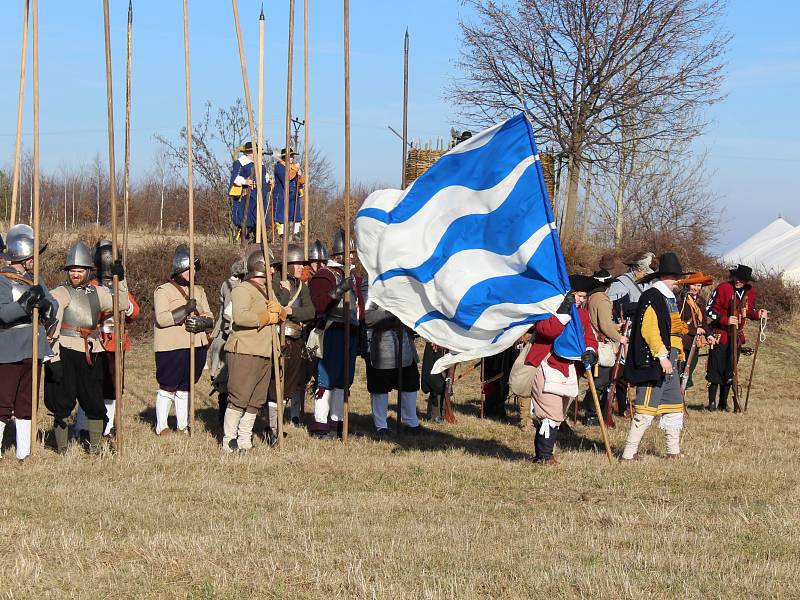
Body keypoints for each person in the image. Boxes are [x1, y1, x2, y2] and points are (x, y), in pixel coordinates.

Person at [46, 241, 129, 454]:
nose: (75, 273)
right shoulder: (60, 293)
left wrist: (121, 280)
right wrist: (53, 357)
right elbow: (52, 328)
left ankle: (93, 448)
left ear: (88, 270)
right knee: (62, 403)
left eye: (79, 270)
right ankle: (62, 448)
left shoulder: (98, 292)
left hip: (92, 351)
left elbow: (121, 305)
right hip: (65, 349)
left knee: (93, 402)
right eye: (72, 270)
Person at [620, 252, 691, 461]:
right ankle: (628, 453)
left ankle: (673, 451)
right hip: (655, 361)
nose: (679, 281)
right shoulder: (652, 296)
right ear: (667, 276)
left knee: (673, 406)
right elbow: (649, 330)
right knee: (645, 409)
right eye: (676, 276)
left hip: (671, 359)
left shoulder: (669, 297)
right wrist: (662, 356)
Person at [524, 275, 599, 464]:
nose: (582, 300)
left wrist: (591, 352)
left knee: (558, 413)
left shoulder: (582, 314)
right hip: (545, 362)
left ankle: (544, 454)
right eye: (580, 296)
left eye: (584, 296)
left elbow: (589, 338)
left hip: (568, 367)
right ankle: (544, 456)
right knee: (550, 413)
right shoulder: (548, 308)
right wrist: (563, 312)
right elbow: (546, 330)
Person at [0, 225, 57, 461]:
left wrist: (46, 306)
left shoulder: (36, 280)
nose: (36, 259)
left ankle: (24, 453)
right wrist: (25, 303)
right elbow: (2, 313)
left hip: (33, 347)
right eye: (33, 255)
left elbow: (53, 306)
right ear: (22, 254)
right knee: (3, 402)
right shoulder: (2, 281)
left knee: (26, 402)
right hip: (9, 347)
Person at [74, 240, 140, 439]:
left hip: (115, 345)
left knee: (112, 389)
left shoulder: (121, 286)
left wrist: (121, 288)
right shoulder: (90, 286)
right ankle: (82, 427)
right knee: (90, 388)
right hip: (94, 344)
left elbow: (133, 312)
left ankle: (108, 427)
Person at [221, 248, 286, 451]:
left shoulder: (269, 291)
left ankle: (244, 439)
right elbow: (241, 317)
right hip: (245, 350)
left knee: (256, 400)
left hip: (266, 351)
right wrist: (266, 317)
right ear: (260, 267)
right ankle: (229, 440)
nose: (274, 271)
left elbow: (279, 311)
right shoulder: (242, 289)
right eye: (271, 267)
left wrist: (280, 313)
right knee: (239, 397)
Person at [307, 228, 364, 439]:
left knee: (343, 380)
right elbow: (319, 305)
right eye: (349, 253)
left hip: (350, 331)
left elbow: (359, 309)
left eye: (353, 253)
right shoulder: (325, 274)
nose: (351, 257)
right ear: (339, 254)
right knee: (327, 379)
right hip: (332, 332)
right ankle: (321, 425)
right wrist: (341, 288)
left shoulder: (352, 276)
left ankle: (337, 422)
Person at [152, 244, 213, 435]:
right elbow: (162, 319)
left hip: (196, 346)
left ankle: (182, 425)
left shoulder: (200, 290)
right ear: (180, 267)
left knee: (186, 387)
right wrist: (185, 309)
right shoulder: (163, 290)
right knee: (168, 386)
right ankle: (161, 426)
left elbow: (210, 316)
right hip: (171, 347)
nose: (192, 272)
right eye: (189, 268)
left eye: (194, 268)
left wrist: (201, 322)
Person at [705, 264, 768, 412]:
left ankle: (723, 403)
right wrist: (726, 319)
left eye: (743, 279)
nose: (738, 281)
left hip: (737, 338)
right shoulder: (722, 288)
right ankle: (712, 403)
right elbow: (709, 310)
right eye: (737, 277)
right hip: (721, 335)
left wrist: (758, 314)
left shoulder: (750, 292)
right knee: (715, 369)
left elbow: (750, 311)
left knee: (730, 370)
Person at [271, 244, 315, 432]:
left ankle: (279, 423)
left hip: (296, 339)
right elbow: (276, 305)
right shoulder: (274, 282)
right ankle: (273, 426)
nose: (300, 268)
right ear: (287, 265)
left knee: (290, 383)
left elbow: (310, 312)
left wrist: (292, 311)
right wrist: (285, 297)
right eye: (296, 264)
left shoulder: (302, 287)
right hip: (278, 339)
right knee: (276, 383)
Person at [364, 300, 421, 437]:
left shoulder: (405, 285)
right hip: (379, 343)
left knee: (410, 384)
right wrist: (393, 313)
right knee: (380, 387)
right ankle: (381, 426)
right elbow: (367, 317)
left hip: (405, 342)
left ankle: (411, 423)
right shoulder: (373, 287)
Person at [582, 277, 627, 426]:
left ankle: (592, 411)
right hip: (601, 344)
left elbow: (598, 322)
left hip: (592, 341)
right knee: (601, 381)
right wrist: (620, 338)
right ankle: (593, 414)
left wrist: (616, 326)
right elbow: (604, 326)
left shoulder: (591, 298)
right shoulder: (603, 300)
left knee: (598, 381)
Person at [209, 258, 246, 423]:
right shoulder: (232, 286)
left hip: (229, 336)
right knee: (225, 380)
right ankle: (224, 417)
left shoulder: (232, 284)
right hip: (227, 336)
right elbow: (229, 315)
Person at [675, 271, 713, 390]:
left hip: (694, 342)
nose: (696, 288)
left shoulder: (701, 300)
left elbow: (704, 322)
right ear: (688, 285)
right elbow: (678, 320)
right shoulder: (681, 299)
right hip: (682, 341)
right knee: (679, 372)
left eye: (699, 285)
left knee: (688, 372)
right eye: (694, 285)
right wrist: (694, 330)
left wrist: (709, 335)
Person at [229, 141, 268, 242]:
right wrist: (245, 181)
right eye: (253, 151)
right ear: (248, 152)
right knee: (246, 219)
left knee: (259, 217)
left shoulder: (261, 164)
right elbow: (234, 178)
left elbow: (264, 176)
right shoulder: (240, 163)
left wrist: (269, 180)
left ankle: (257, 239)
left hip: (260, 195)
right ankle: (244, 239)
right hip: (247, 195)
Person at [607, 251, 654, 317]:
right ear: (634, 267)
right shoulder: (621, 282)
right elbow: (615, 307)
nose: (645, 274)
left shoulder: (649, 282)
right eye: (642, 270)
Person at [273, 147, 304, 241]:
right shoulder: (279, 167)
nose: (292, 158)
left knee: (296, 214)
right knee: (281, 215)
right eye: (290, 156)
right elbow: (287, 178)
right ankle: (282, 235)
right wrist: (295, 169)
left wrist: (300, 176)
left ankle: (296, 233)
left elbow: (299, 182)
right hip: (282, 195)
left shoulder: (292, 167)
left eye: (292, 156)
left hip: (293, 194)